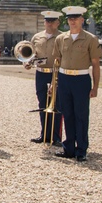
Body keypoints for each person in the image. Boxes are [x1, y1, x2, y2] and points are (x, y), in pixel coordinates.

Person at [51, 6, 101, 162]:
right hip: (65, 78)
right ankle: (69, 148)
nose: (73, 21)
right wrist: (54, 83)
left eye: (76, 18)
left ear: (82, 20)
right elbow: (56, 62)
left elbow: (96, 64)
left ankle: (81, 149)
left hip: (81, 79)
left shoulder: (90, 39)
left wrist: (95, 87)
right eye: (70, 19)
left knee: (81, 115)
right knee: (68, 114)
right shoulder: (60, 39)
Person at [27, 11, 64, 145]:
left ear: (57, 22)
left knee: (56, 104)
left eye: (52, 21)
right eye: (47, 20)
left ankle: (56, 136)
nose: (49, 23)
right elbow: (32, 54)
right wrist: (28, 62)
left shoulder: (62, 37)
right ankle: (44, 134)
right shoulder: (37, 37)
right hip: (41, 73)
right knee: (42, 104)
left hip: (56, 73)